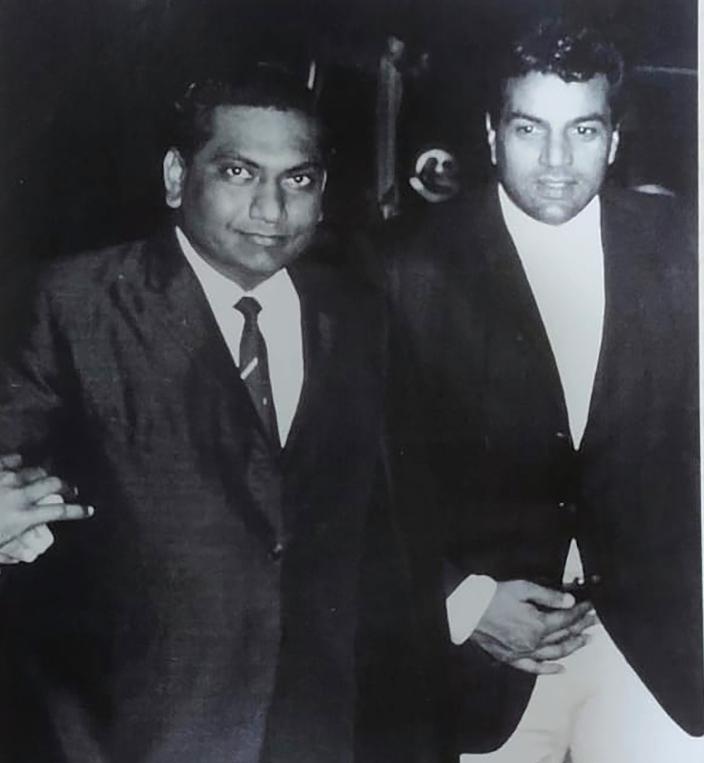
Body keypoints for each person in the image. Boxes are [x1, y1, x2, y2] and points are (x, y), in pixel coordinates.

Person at [0, 66, 417, 763]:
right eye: (238, 172)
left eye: (298, 179)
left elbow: (388, 521)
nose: (270, 209)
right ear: (176, 177)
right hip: (129, 732)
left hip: (313, 731)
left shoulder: (358, 315)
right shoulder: (72, 303)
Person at [386, 18, 703, 763]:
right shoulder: (404, 269)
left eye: (583, 130)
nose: (557, 161)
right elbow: (364, 476)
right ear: (491, 134)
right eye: (530, 128)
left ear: (614, 140)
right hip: (486, 661)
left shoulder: (684, 247)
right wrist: (462, 602)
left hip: (657, 656)